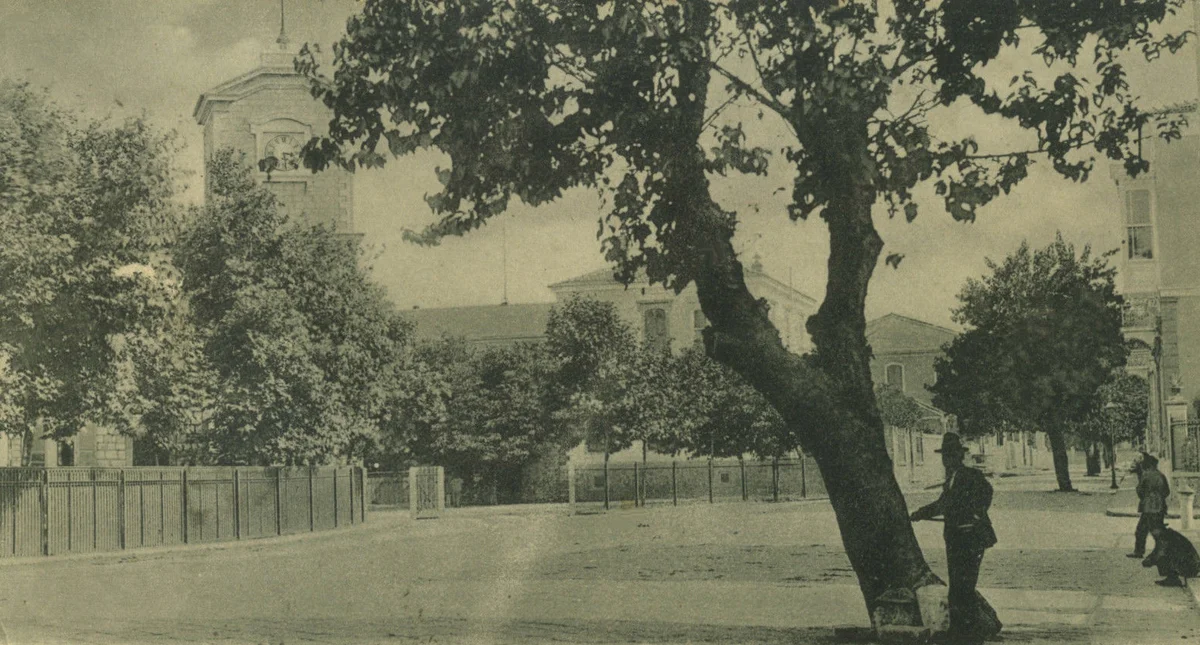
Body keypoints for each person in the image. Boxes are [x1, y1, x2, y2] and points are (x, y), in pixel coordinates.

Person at [910, 432, 1000, 643]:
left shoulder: (970, 475)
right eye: (944, 456)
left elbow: (987, 492)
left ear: (958, 456)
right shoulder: (950, 479)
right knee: (958, 586)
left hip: (971, 537)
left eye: (950, 455)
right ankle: (961, 631)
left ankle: (971, 634)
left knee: (964, 586)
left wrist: (976, 514)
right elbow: (943, 504)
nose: (946, 460)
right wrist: (919, 514)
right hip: (955, 538)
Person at [1129, 452, 1170, 558]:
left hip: (1148, 508)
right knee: (1158, 531)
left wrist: (1146, 498)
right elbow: (1166, 491)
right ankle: (1163, 552)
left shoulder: (1145, 475)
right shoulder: (1161, 475)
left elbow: (1140, 491)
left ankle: (1139, 552)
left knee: (1141, 531)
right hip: (1160, 507)